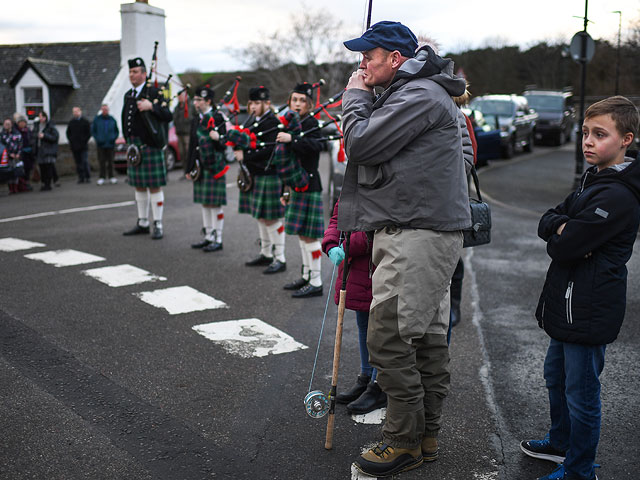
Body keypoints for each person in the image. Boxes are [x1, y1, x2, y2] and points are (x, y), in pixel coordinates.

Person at [339, 21, 470, 477]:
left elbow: (361, 143)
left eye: (367, 55)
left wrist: (354, 98)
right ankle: (425, 435)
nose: (361, 64)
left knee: (389, 338)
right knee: (426, 339)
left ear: (395, 59)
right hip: (419, 228)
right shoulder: (419, 92)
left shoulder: (418, 94)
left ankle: (403, 442)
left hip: (417, 231)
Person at [520, 96, 640, 480]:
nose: (588, 141)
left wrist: (562, 231)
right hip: (569, 299)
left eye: (600, 134)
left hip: (588, 306)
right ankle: (560, 443)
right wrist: (562, 226)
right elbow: (550, 219)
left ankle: (580, 469)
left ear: (626, 140)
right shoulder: (595, 179)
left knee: (582, 393)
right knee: (555, 376)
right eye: (586, 133)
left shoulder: (618, 194)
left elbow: (565, 244)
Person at [322, 199, 387, 414]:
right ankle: (366, 376)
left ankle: (379, 386)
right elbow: (337, 217)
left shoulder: (381, 175)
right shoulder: (353, 177)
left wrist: (345, 245)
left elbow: (377, 228)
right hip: (357, 264)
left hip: (378, 264)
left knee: (380, 325)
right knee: (362, 319)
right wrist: (331, 244)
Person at [279, 82, 325, 298]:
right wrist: (284, 190)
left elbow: (317, 146)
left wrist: (294, 139)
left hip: (310, 183)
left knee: (310, 236)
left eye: (301, 101)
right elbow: (284, 160)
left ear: (308, 103)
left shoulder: (312, 123)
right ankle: (307, 275)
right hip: (295, 185)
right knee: (302, 235)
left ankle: (316, 281)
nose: (297, 104)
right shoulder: (288, 124)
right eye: (294, 100)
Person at [121, 57, 172, 240]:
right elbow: (125, 118)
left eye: (135, 72)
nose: (132, 75)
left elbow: (168, 115)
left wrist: (152, 106)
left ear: (144, 73)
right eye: (131, 72)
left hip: (150, 145)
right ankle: (142, 222)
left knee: (154, 186)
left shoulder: (154, 92)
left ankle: (157, 223)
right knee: (139, 186)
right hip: (135, 147)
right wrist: (126, 138)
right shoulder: (129, 95)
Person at [237, 86, 287, 274]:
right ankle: (266, 253)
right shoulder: (252, 121)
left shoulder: (272, 122)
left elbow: (269, 149)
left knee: (271, 218)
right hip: (257, 174)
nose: (254, 106)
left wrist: (246, 156)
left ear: (267, 103)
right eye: (252, 103)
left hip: (270, 174)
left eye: (258, 103)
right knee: (261, 217)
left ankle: (280, 258)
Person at [186, 86, 228, 252]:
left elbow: (224, 144)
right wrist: (189, 168)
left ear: (208, 101)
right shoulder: (197, 118)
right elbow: (192, 145)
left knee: (215, 204)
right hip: (200, 166)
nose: (195, 103)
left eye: (199, 100)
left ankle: (218, 238)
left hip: (214, 166)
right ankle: (208, 236)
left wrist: (218, 139)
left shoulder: (218, 117)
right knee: (205, 203)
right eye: (195, 100)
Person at [91, 104, 119, 185]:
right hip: (101, 145)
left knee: (111, 161)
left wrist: (113, 138)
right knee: (101, 161)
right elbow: (93, 131)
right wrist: (98, 139)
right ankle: (102, 177)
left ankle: (111, 177)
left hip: (110, 144)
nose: (105, 111)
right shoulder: (97, 120)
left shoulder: (112, 119)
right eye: (103, 109)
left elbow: (116, 131)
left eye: (106, 109)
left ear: (108, 110)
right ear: (101, 110)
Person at [33, 111, 59, 192]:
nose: (40, 118)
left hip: (48, 150)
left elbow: (55, 137)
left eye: (42, 117)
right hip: (39, 149)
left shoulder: (50, 126)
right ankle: (44, 183)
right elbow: (33, 136)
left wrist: (44, 136)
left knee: (48, 167)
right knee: (42, 167)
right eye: (39, 116)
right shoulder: (36, 126)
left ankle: (48, 184)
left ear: (45, 117)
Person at [66, 106, 92, 183]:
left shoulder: (85, 121)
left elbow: (89, 133)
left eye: (77, 111)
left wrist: (84, 141)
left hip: (83, 146)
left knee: (84, 161)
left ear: (80, 111)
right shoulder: (71, 122)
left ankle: (87, 176)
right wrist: (72, 141)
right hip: (75, 146)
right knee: (78, 163)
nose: (75, 113)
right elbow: (68, 133)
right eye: (74, 111)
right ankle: (81, 177)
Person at [173, 91, 194, 177]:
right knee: (182, 153)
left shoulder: (190, 105)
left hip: (188, 133)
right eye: (178, 96)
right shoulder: (177, 107)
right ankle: (186, 172)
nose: (179, 98)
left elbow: (192, 117)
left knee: (188, 152)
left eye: (181, 96)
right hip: (179, 133)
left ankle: (191, 170)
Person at [0, 118, 23, 194]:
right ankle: (11, 188)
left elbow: (20, 144)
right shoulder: (2, 135)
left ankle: (15, 188)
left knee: (16, 171)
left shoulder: (17, 133)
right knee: (9, 172)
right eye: (6, 124)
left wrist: (18, 154)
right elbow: (2, 146)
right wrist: (9, 154)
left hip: (16, 156)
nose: (7, 126)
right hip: (7, 156)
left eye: (8, 124)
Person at [16, 116, 34, 191]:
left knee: (28, 169)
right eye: (21, 122)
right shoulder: (16, 131)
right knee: (20, 170)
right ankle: (21, 186)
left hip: (28, 153)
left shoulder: (28, 131)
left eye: (24, 122)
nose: (22, 123)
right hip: (20, 153)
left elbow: (32, 140)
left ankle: (27, 184)